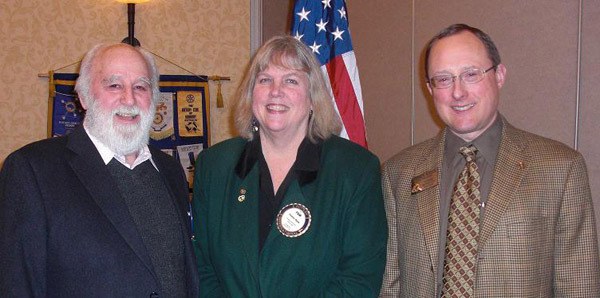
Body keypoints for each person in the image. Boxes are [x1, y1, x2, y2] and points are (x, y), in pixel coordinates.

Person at [380, 23, 600, 297]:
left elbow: (579, 285)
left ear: (499, 75)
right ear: (430, 88)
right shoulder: (398, 172)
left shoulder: (560, 169)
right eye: (444, 79)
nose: (457, 92)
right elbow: (389, 284)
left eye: (471, 74)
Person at [192, 35, 387, 297]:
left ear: (312, 99)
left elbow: (358, 278)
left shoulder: (355, 170)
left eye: (291, 80)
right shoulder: (214, 166)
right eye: (265, 80)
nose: (276, 91)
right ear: (251, 96)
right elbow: (201, 266)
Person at [0, 43, 199, 297]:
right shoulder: (32, 170)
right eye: (114, 85)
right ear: (83, 96)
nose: (129, 99)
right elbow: (17, 286)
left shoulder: (171, 170)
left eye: (141, 86)